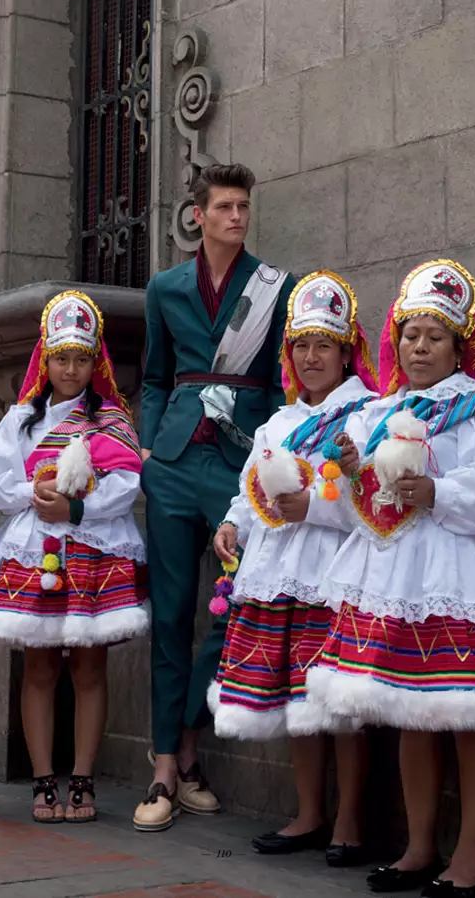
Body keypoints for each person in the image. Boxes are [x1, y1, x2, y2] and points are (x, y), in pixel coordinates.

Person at [307, 260, 475, 897]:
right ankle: (419, 846)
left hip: (459, 576)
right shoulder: (378, 415)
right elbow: (361, 509)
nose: (420, 346)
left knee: (467, 712)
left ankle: (471, 855)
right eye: (410, 335)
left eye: (435, 336)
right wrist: (352, 472)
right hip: (396, 577)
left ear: (460, 345)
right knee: (412, 713)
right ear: (395, 343)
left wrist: (438, 490)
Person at [134, 163, 295, 832]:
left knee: (239, 606)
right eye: (225, 207)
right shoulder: (166, 289)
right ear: (197, 215)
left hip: (241, 464)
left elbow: (285, 384)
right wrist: (146, 450)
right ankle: (168, 767)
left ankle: (189, 734)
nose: (237, 217)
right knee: (170, 615)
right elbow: (151, 378)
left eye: (243, 207)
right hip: (171, 462)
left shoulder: (275, 288)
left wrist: (280, 447)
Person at [210, 271, 379, 866]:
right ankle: (309, 811)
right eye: (301, 346)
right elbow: (248, 491)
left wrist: (316, 509)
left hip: (331, 575)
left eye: (323, 346)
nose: (311, 358)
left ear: (345, 352)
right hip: (277, 572)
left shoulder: (365, 415)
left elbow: (373, 498)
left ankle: (351, 819)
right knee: (300, 700)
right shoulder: (276, 424)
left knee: (341, 705)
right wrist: (232, 525)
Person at [0, 290, 147, 824]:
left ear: (94, 360)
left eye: (81, 358)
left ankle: (82, 777)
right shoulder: (20, 422)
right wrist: (36, 494)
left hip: (91, 550)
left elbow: (125, 485)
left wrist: (76, 512)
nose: (71, 369)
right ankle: (41, 780)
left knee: (89, 667)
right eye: (61, 358)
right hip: (34, 550)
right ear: (45, 361)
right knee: (38, 667)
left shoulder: (111, 421)